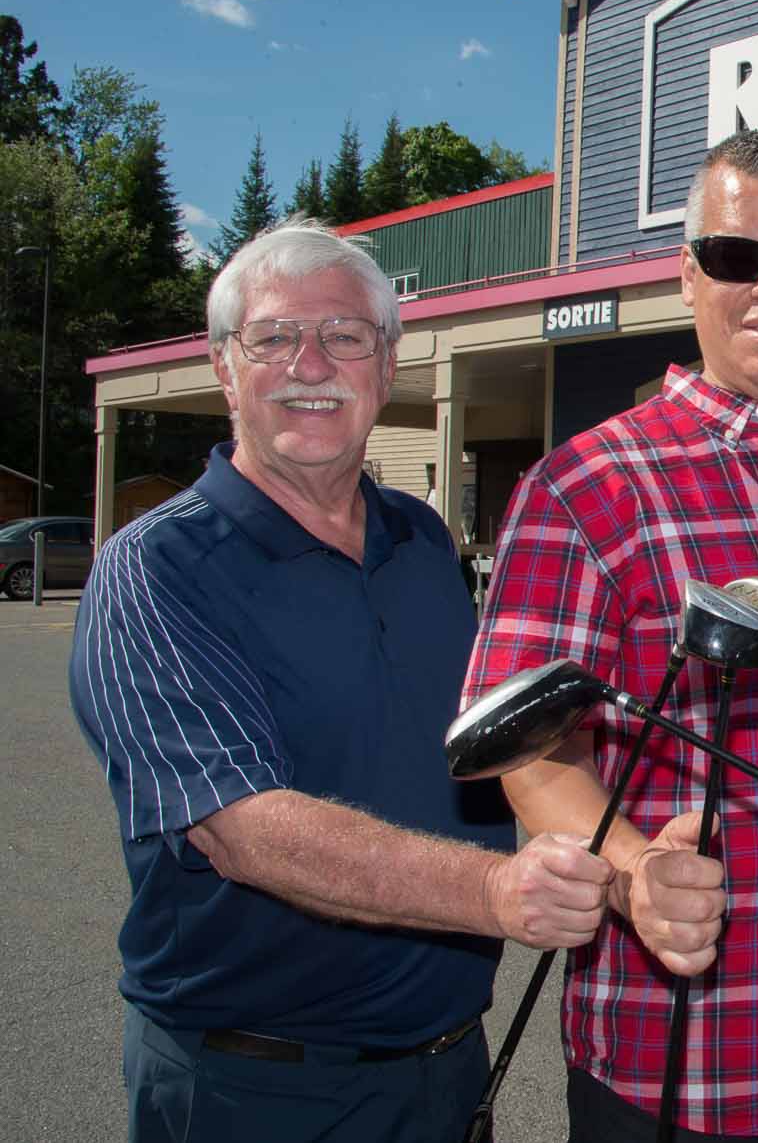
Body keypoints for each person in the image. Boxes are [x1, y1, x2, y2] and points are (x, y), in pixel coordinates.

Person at [69, 219, 616, 1143]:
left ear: (389, 362)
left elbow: (497, 736)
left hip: (446, 1066)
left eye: (344, 336)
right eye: (275, 336)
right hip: (254, 1086)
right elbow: (244, 830)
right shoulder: (153, 572)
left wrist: (633, 830)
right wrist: (497, 892)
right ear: (224, 366)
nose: (310, 364)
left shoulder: (424, 541)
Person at [464, 127, 758, 1142]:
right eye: (734, 256)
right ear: (687, 276)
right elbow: (527, 747)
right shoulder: (585, 486)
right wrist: (633, 872)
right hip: (689, 1070)